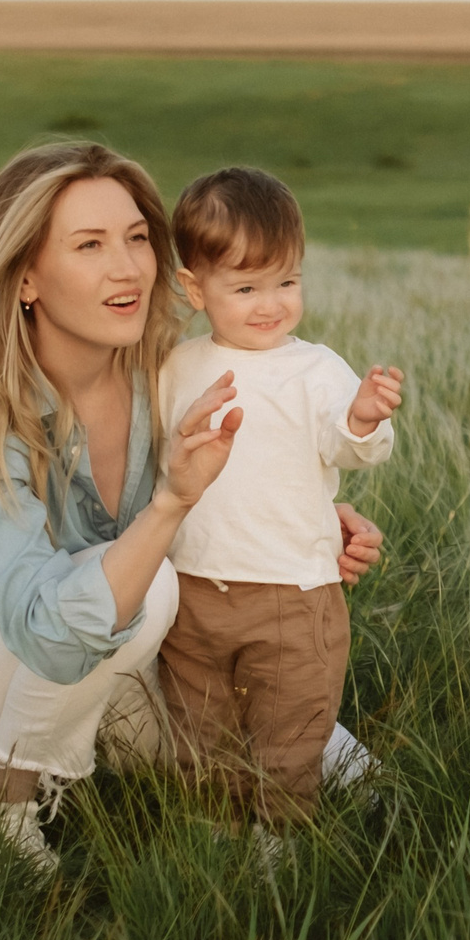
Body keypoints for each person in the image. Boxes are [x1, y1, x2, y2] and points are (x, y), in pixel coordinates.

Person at [0, 141, 384, 871]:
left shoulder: (163, 373)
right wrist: (168, 503)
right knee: (142, 586)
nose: (129, 266)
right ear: (27, 278)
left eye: (138, 237)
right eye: (90, 244)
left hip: (123, 647)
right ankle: (0, 805)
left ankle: (93, 754)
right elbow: (46, 626)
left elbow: (240, 467)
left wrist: (310, 518)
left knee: (335, 764)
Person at [156, 167, 404, 828]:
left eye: (286, 282)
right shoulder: (177, 367)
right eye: (245, 287)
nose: (271, 303)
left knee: (289, 731)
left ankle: (282, 841)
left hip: (294, 593)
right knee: (199, 731)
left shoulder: (317, 368)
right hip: (194, 590)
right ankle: (218, 836)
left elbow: (350, 445)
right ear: (194, 288)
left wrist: (363, 415)